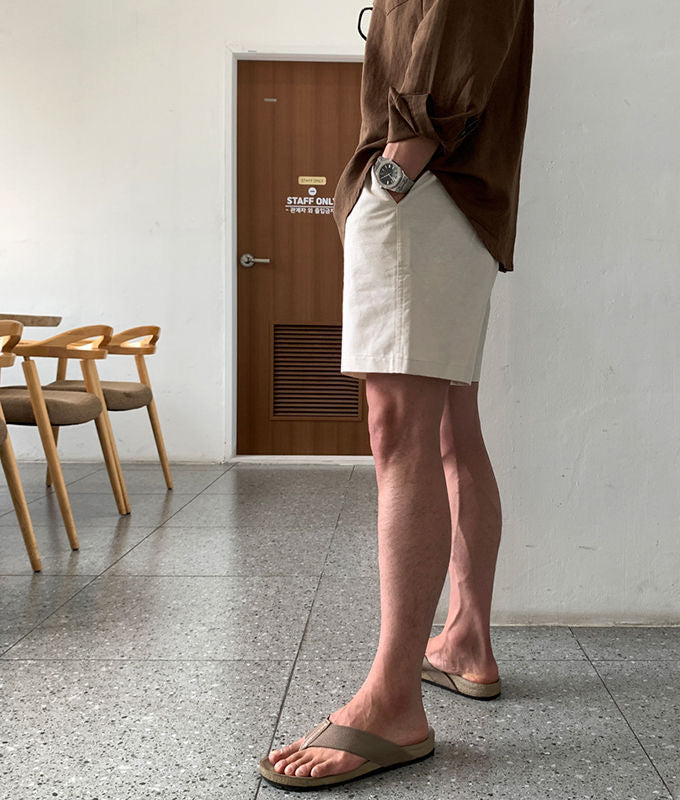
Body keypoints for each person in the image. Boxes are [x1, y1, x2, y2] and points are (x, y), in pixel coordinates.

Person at [261, 0, 534, 790]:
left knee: (399, 431)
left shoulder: (409, 174)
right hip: (455, 196)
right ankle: (465, 641)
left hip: (426, 188)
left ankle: (393, 703)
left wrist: (391, 176)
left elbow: (453, 41)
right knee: (449, 428)